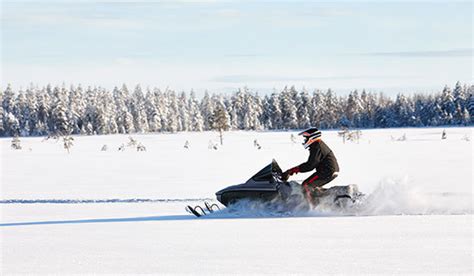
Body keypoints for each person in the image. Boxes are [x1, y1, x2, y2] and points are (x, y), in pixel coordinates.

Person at [282, 127, 340, 202]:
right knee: (314, 187)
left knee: (306, 185)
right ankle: (324, 201)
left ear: (312, 137)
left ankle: (311, 207)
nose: (305, 140)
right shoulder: (317, 145)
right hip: (328, 170)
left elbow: (310, 165)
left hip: (327, 171)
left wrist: (292, 171)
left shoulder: (317, 146)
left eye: (306, 138)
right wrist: (292, 171)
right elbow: (311, 164)